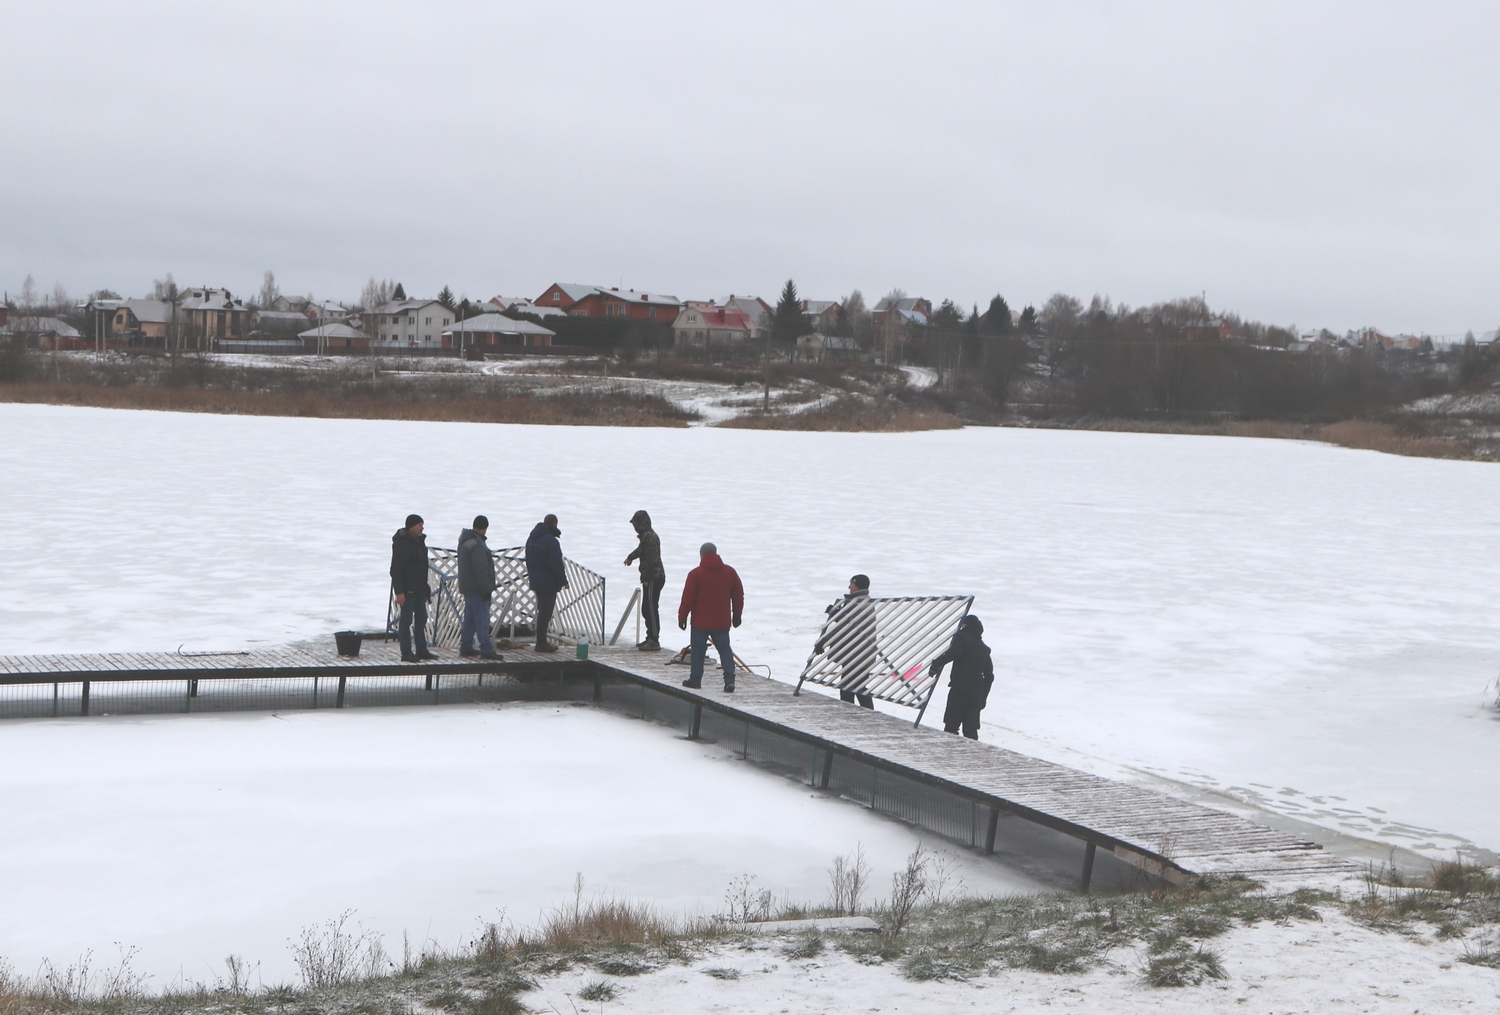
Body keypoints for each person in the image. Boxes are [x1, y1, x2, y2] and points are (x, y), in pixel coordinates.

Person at [678, 542, 743, 693]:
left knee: (697, 652)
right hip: (722, 621)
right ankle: (729, 680)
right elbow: (738, 596)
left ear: (701, 555)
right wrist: (737, 615)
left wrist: (682, 617)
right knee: (725, 650)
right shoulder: (730, 572)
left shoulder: (695, 574)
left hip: (700, 622)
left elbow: (688, 599)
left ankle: (695, 680)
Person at [928, 616, 994, 740]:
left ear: (965, 625)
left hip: (960, 689)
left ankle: (949, 754)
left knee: (951, 727)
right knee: (971, 731)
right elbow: (989, 676)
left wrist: (935, 665)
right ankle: (972, 757)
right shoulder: (984, 649)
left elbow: (953, 653)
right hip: (976, 694)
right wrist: (983, 698)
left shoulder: (963, 638)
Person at [817, 574, 877, 709]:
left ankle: (861, 716)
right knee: (855, 687)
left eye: (851, 583)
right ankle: (864, 716)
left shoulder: (858, 602)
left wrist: (824, 641)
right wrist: (837, 613)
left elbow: (847, 626)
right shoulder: (863, 601)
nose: (849, 586)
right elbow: (852, 623)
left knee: (851, 689)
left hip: (857, 654)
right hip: (859, 653)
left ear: (857, 585)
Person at [390, 513, 436, 662]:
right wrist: (399, 591)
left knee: (422, 618)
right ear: (412, 527)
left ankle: (421, 649)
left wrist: (425, 588)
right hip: (407, 590)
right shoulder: (402, 543)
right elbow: (396, 569)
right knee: (406, 621)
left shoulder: (420, 542)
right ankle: (406, 651)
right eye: (420, 525)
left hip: (419, 588)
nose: (422, 527)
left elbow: (422, 567)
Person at [457, 515, 500, 659]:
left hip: (467, 587)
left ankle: (466, 646)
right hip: (477, 588)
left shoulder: (464, 541)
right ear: (485, 528)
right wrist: (486, 589)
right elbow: (480, 569)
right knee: (482, 619)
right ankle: (486, 649)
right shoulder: (477, 544)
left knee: (469, 619)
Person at [524, 513, 568, 653]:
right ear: (555, 524)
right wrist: (563, 581)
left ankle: (540, 640)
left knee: (541, 610)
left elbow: (528, 560)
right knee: (545, 612)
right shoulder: (551, 541)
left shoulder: (531, 538)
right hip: (548, 582)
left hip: (536, 580)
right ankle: (541, 643)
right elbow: (556, 564)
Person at [623, 509, 665, 651]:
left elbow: (652, 561)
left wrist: (646, 578)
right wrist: (630, 557)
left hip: (654, 578)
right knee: (646, 608)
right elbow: (640, 551)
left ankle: (654, 639)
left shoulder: (650, 538)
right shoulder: (646, 537)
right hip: (651, 577)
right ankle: (650, 637)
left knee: (651, 608)